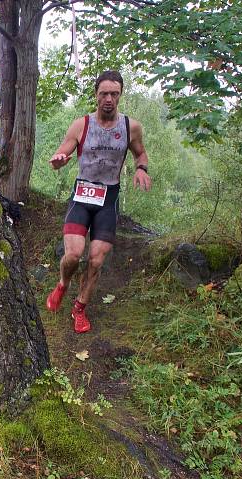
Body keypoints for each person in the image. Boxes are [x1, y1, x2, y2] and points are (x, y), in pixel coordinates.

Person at [45, 70, 151, 333]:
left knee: (96, 260)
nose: (108, 99)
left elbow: (141, 154)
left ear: (120, 95)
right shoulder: (81, 124)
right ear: (96, 95)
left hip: (108, 198)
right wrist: (58, 161)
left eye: (114, 94)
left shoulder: (130, 127)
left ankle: (79, 308)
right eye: (104, 93)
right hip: (82, 194)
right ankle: (62, 284)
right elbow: (60, 155)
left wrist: (141, 169)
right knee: (72, 254)